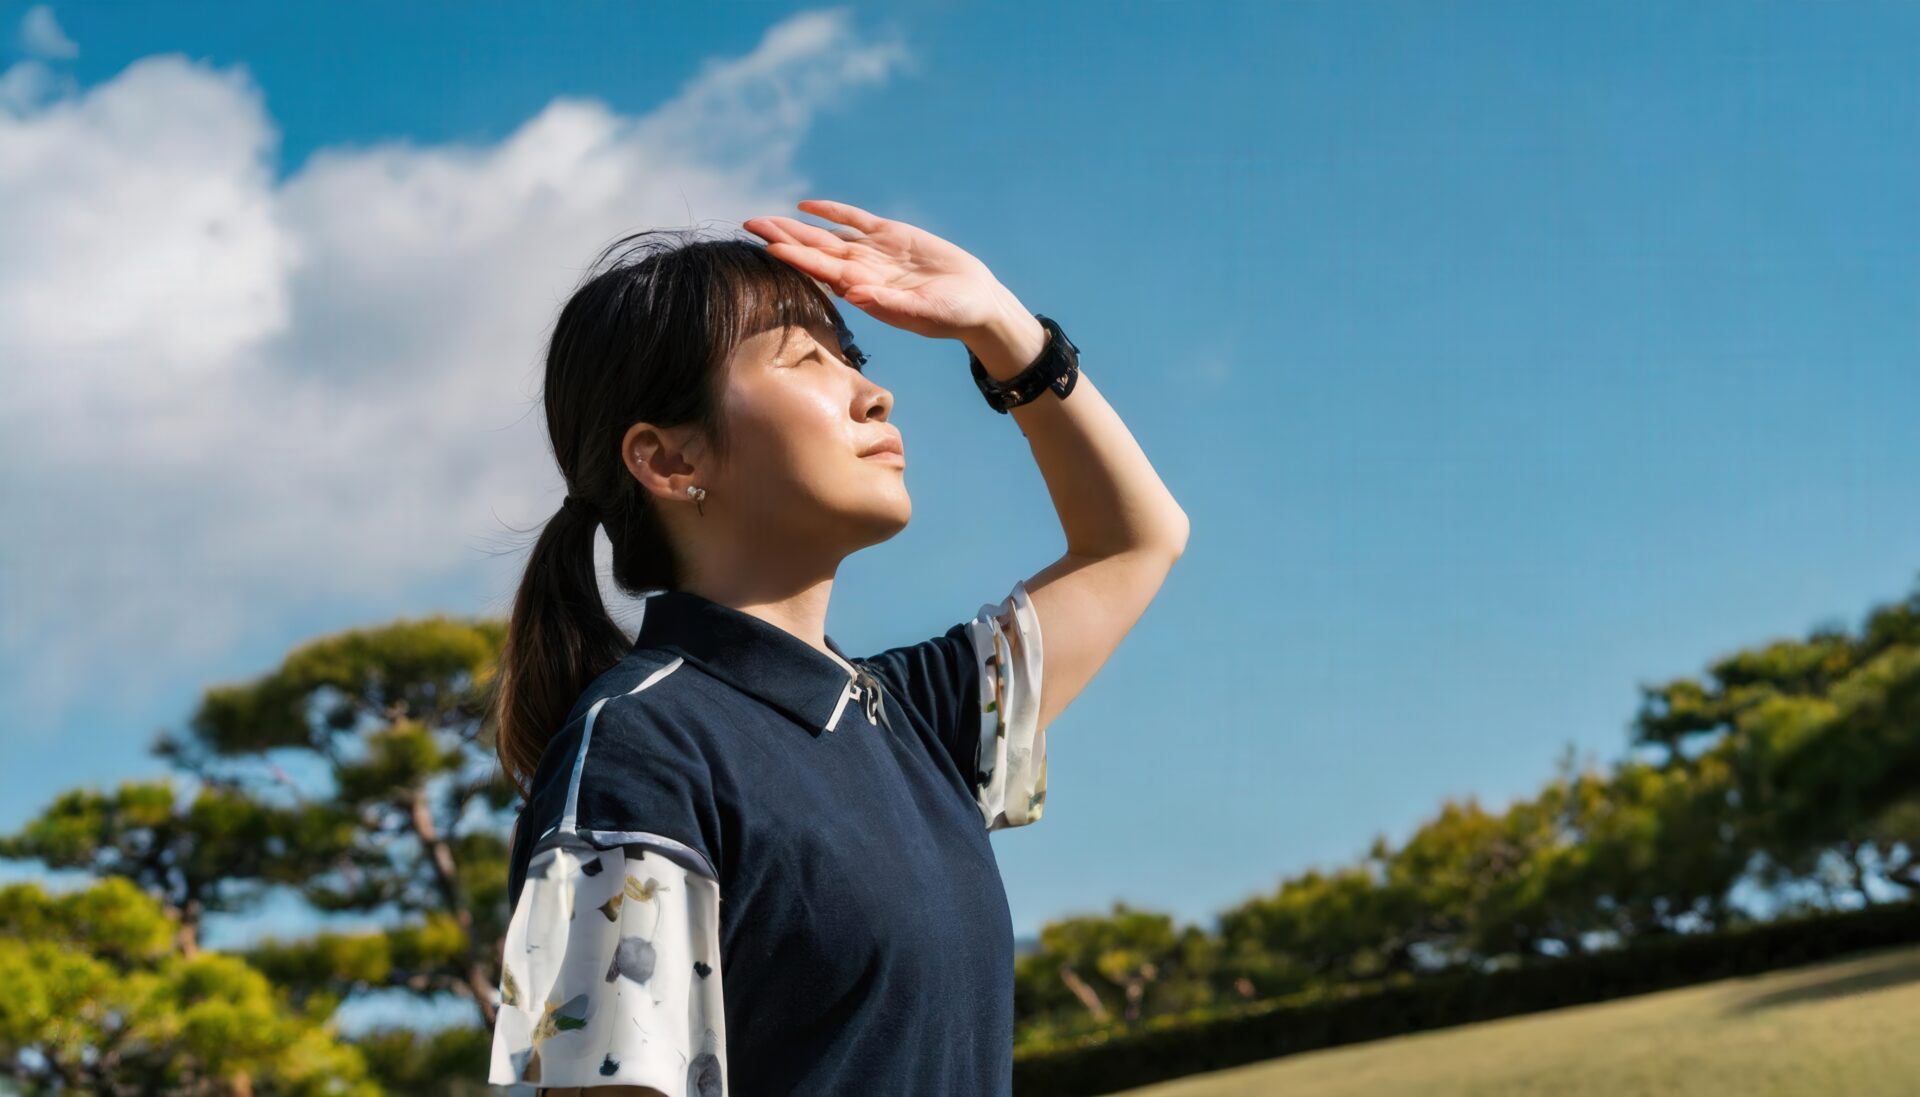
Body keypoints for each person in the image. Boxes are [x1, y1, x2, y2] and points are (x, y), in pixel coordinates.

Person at [485, 198, 1189, 1095]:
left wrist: (1004, 329)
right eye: (806, 357)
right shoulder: (641, 749)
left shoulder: (916, 720)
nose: (874, 389)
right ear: (670, 462)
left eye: (854, 354)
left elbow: (1136, 540)